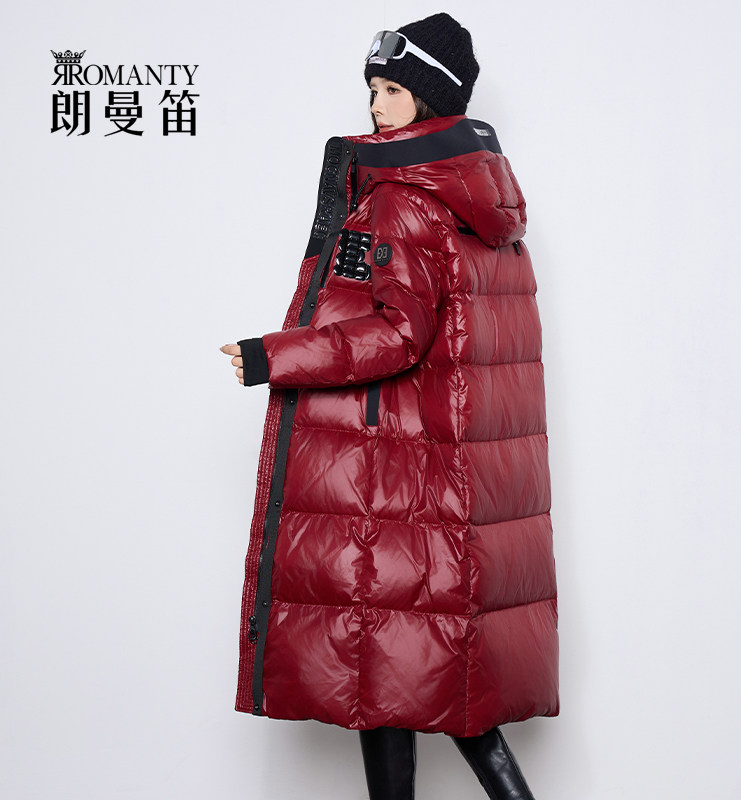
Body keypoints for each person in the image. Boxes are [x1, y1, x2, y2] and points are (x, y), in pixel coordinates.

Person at [220, 12, 558, 800]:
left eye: (393, 90)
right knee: (437, 684)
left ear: (430, 97)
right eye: (372, 89)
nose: (376, 106)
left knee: (389, 679)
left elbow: (398, 335)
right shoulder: (483, 201)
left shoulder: (403, 198)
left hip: (392, 480)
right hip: (456, 486)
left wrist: (275, 355)